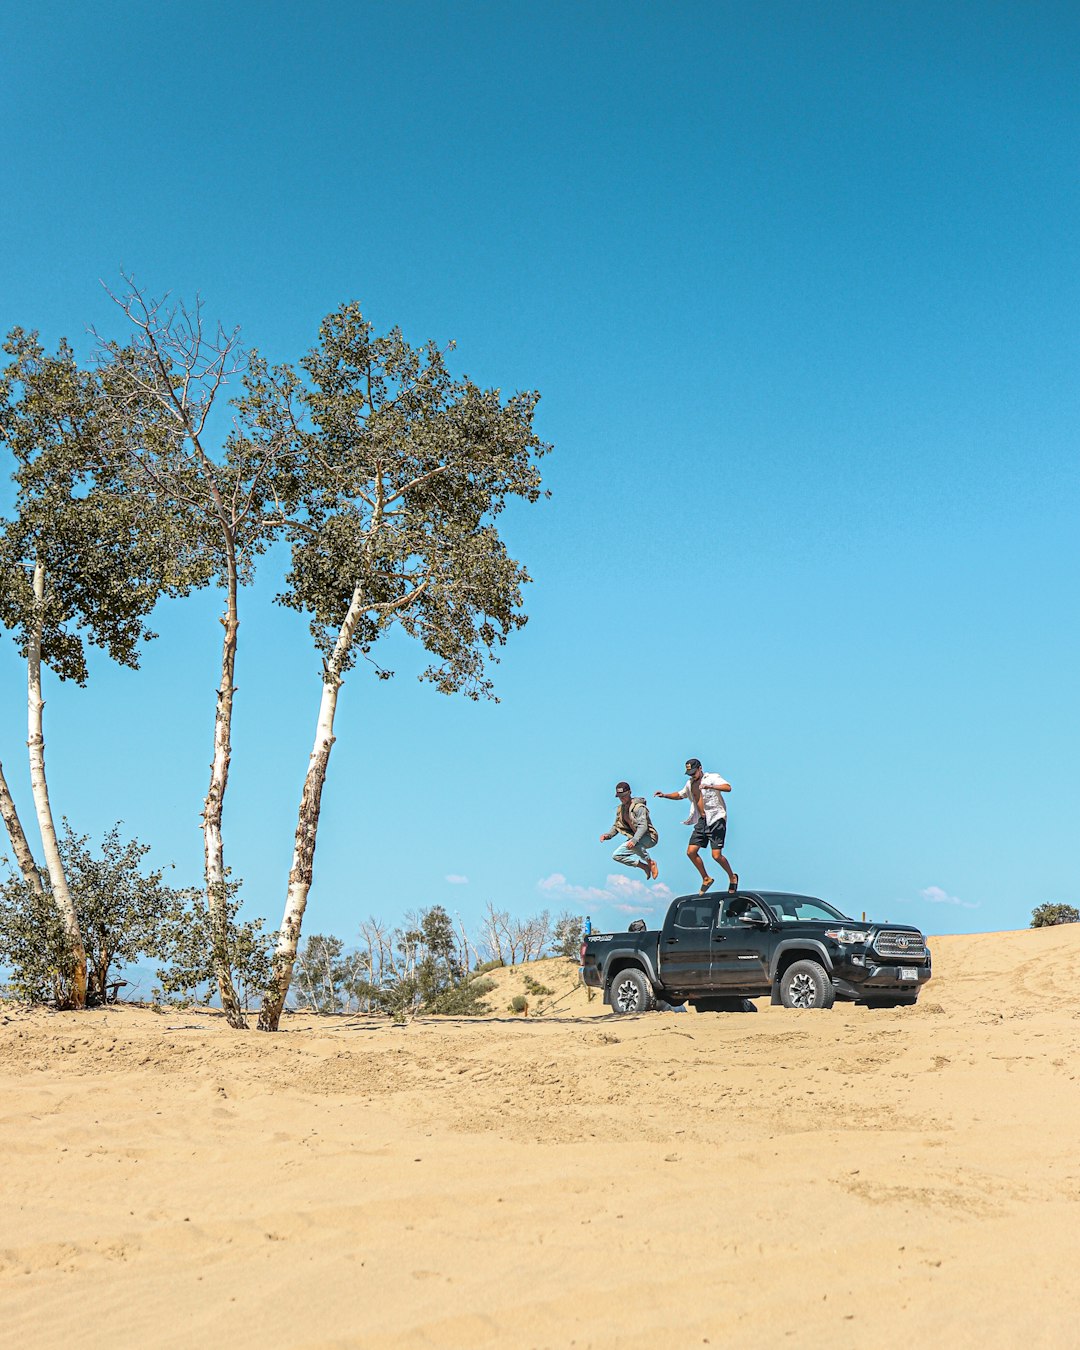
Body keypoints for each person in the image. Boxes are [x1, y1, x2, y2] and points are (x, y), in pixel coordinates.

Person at [654, 757, 739, 895]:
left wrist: (710, 786)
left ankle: (732, 877)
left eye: (694, 772)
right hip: (702, 820)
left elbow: (728, 787)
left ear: (700, 769)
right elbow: (680, 795)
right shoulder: (690, 784)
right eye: (690, 774)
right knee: (691, 852)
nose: (692, 776)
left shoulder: (711, 778)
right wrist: (665, 795)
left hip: (716, 818)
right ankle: (706, 878)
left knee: (716, 856)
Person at [600, 782, 660, 881]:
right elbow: (617, 825)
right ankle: (644, 866)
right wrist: (608, 835)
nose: (622, 798)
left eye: (624, 796)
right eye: (620, 796)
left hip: (649, 837)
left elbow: (643, 826)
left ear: (629, 793)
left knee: (634, 844)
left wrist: (635, 840)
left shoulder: (638, 807)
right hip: (635, 840)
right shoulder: (621, 809)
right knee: (616, 855)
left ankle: (651, 862)